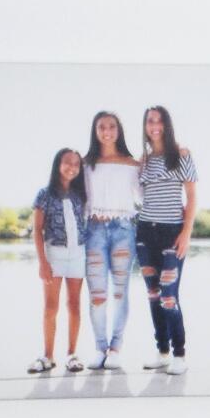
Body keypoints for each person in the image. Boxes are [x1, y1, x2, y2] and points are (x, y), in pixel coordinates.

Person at [135, 105, 198, 375]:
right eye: (150, 121)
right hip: (144, 233)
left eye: (159, 121)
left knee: (168, 297)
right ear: (146, 126)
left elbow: (192, 198)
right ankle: (162, 352)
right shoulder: (145, 161)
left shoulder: (181, 155)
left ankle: (179, 355)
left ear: (167, 125)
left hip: (172, 232)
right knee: (153, 295)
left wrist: (186, 232)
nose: (154, 125)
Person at [78, 110, 139, 373]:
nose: (107, 131)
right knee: (97, 294)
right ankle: (99, 348)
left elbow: (145, 196)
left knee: (120, 292)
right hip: (94, 230)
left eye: (112, 126)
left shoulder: (132, 164)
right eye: (101, 126)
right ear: (95, 130)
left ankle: (116, 348)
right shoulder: (84, 163)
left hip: (124, 229)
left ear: (119, 130)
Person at [29, 147, 87, 374]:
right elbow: (37, 230)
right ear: (58, 165)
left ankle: (72, 354)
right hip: (54, 254)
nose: (72, 167)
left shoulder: (80, 194)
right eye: (67, 163)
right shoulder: (44, 194)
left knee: (74, 305)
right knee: (50, 307)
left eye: (76, 164)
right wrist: (42, 262)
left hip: (78, 254)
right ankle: (47, 356)